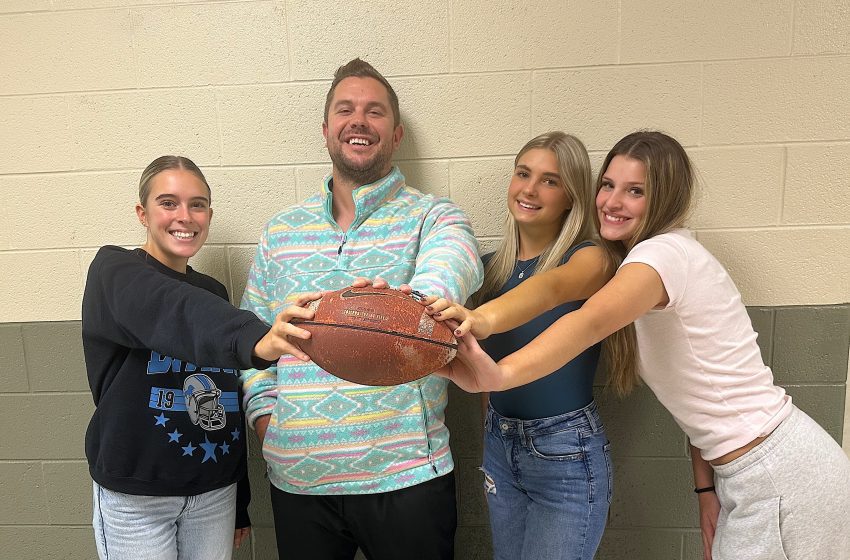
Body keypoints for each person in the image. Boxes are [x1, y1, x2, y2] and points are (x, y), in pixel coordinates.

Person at [430, 130, 850, 560]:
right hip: (745, 472)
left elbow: (585, 321)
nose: (613, 202)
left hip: (780, 472)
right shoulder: (644, 262)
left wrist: (494, 359)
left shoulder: (663, 257)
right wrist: (706, 489)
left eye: (635, 191)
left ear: (664, 199)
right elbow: (700, 406)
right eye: (608, 185)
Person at [239, 58, 483, 560]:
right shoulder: (280, 233)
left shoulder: (434, 216)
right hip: (299, 480)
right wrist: (268, 423)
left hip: (406, 476)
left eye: (374, 112)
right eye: (345, 109)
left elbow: (452, 270)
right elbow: (253, 342)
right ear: (326, 129)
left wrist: (403, 306)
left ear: (394, 135)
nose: (359, 120)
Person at [83, 155, 321, 560]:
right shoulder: (114, 271)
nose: (185, 216)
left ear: (209, 214)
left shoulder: (212, 293)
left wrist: (240, 499)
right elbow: (169, 307)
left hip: (213, 494)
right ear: (142, 213)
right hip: (138, 497)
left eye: (197, 204)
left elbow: (227, 402)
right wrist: (258, 340)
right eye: (168, 202)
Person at [426, 131, 635, 560]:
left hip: (564, 452)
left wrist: (481, 317)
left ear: (572, 197)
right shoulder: (488, 271)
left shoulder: (591, 258)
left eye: (550, 181)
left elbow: (550, 288)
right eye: (523, 173)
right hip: (501, 445)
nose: (530, 189)